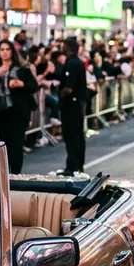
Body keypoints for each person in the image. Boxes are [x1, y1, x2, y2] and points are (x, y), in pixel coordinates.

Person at [0, 40, 39, 173]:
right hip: (0, 111)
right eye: (2, 50)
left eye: (7, 49)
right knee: (4, 142)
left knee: (17, 142)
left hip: (19, 110)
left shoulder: (22, 68)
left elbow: (34, 86)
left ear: (12, 51)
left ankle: (16, 172)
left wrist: (21, 84)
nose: (5, 52)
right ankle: (5, 173)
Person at [58, 36, 88, 177]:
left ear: (68, 47)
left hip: (71, 104)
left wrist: (61, 95)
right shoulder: (79, 62)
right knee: (78, 135)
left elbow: (68, 88)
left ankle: (72, 166)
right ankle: (78, 165)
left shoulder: (71, 64)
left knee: (71, 136)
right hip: (78, 104)